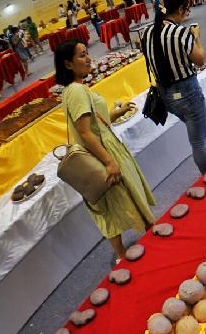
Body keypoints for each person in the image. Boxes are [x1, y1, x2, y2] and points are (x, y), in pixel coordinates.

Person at [54, 40, 155, 262]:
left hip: (103, 148)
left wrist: (116, 114)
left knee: (112, 201)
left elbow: (93, 124)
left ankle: (128, 250)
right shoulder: (77, 91)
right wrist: (109, 161)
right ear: (68, 64)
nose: (88, 58)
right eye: (81, 55)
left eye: (87, 53)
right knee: (119, 197)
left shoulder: (75, 89)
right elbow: (86, 132)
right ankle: (140, 245)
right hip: (103, 152)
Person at [139, 0, 206, 174]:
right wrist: (196, 37)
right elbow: (200, 59)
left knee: (194, 137)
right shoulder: (180, 33)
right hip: (188, 94)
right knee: (198, 142)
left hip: (166, 97)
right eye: (187, 9)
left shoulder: (146, 32)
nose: (187, 13)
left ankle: (205, 163)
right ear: (180, 9)